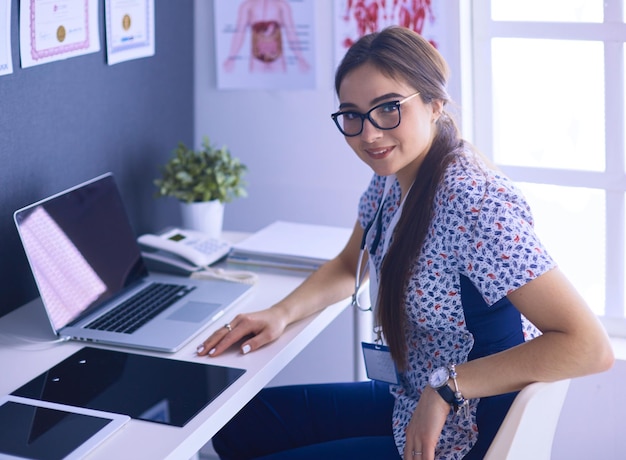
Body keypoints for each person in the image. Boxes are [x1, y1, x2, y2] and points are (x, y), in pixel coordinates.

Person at [197, 26, 614, 459]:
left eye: (388, 109)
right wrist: (279, 314)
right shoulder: (394, 179)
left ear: (434, 104)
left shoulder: (471, 203)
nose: (369, 134)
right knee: (239, 426)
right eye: (352, 115)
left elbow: (588, 346)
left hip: (461, 431)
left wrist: (448, 387)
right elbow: (348, 266)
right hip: (411, 398)